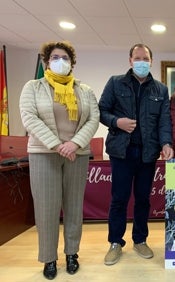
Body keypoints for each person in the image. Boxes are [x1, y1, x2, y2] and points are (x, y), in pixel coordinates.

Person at [19, 41, 100, 280]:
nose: (60, 61)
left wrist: (74, 144)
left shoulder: (84, 90)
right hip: (44, 154)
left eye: (65, 57)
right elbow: (29, 118)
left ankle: (72, 254)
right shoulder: (33, 87)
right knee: (46, 208)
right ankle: (49, 258)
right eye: (55, 57)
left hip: (77, 153)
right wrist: (57, 145)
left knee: (74, 207)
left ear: (72, 63)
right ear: (47, 61)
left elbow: (93, 119)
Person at [99, 43, 174, 266]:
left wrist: (166, 143)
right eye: (137, 58)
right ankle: (115, 242)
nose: (142, 62)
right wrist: (117, 122)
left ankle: (140, 240)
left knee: (143, 199)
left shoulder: (160, 89)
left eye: (146, 58)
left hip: (148, 153)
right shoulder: (115, 82)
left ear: (151, 60)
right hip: (121, 152)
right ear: (130, 60)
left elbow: (164, 121)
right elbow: (101, 111)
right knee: (119, 198)